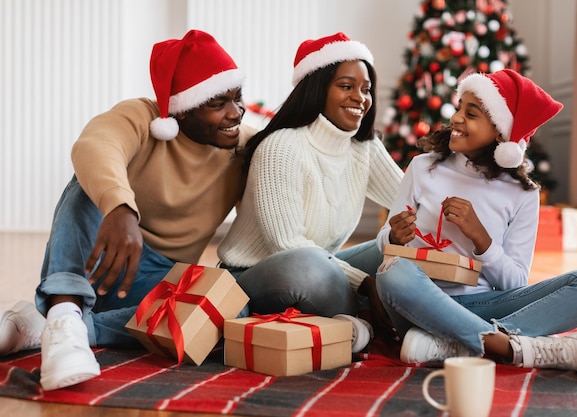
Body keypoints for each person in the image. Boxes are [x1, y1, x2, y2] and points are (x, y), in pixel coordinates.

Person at [0, 29, 255, 390]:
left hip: (155, 283)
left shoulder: (244, 145)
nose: (235, 113)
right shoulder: (142, 116)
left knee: (231, 310)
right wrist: (120, 208)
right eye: (218, 104)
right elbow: (94, 144)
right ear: (180, 110)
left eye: (238, 98)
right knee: (86, 186)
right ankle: (66, 306)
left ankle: (62, 327)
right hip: (100, 254)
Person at [375, 69, 577, 371]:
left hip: (488, 304)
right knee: (393, 274)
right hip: (423, 299)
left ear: (501, 132)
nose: (457, 118)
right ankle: (508, 346)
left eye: (471, 114)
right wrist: (394, 237)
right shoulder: (423, 167)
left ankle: (454, 342)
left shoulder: (522, 194)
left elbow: (514, 282)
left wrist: (481, 239)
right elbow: (386, 247)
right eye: (460, 107)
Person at [217, 32, 404, 352]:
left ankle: (377, 324)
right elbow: (286, 246)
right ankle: (374, 320)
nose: (360, 97)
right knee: (309, 265)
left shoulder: (365, 146)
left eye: (366, 89)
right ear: (318, 89)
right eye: (346, 86)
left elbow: (412, 199)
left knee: (393, 250)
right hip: (254, 275)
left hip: (324, 265)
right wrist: (365, 284)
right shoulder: (281, 147)